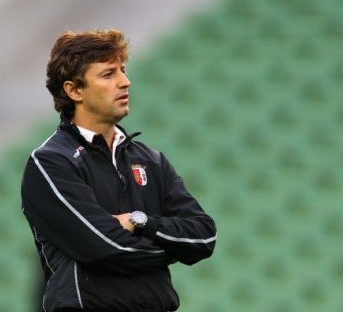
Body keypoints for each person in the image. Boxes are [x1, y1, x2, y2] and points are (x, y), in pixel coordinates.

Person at [21, 29, 217, 312]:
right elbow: (103, 246)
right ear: (74, 90)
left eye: (122, 70)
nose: (125, 82)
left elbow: (203, 235)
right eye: (108, 74)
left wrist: (140, 221)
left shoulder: (151, 159)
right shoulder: (51, 162)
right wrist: (171, 250)